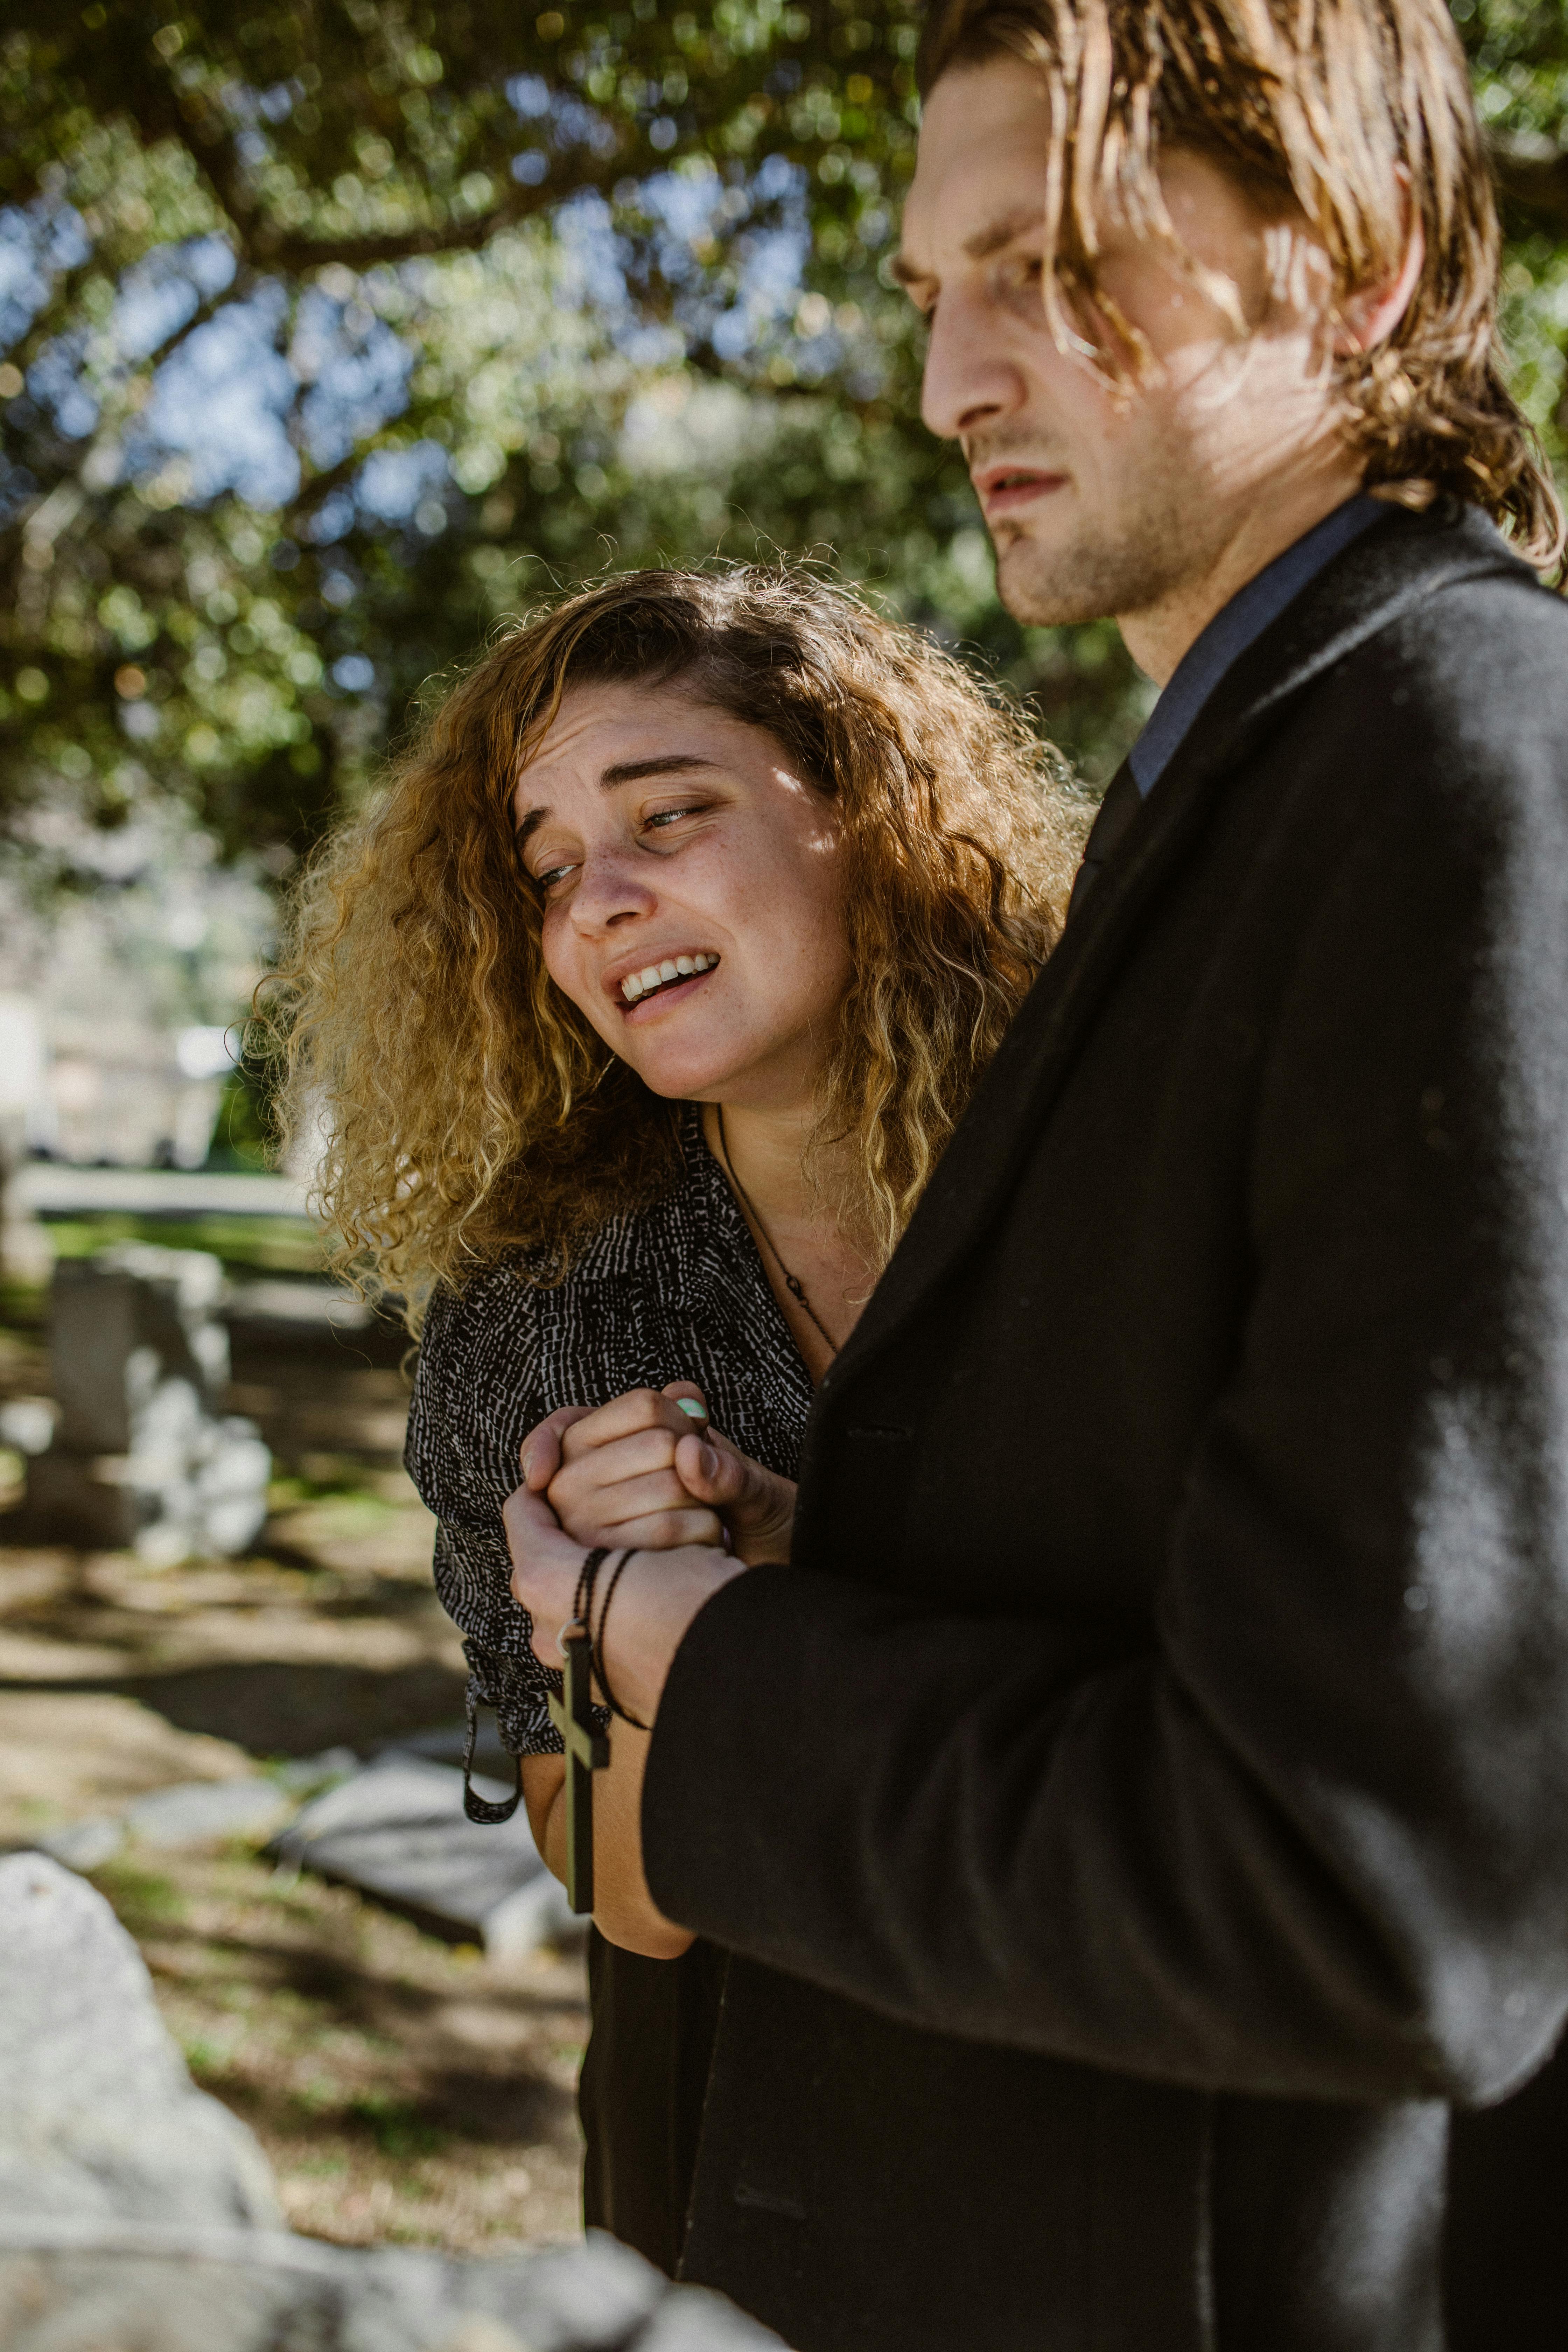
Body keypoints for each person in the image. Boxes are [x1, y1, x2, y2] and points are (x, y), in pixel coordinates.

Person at [505, 2, 1568, 2346]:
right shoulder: (1243, 797)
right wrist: (838, 1550)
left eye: (1051, 264)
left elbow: (1367, 1891)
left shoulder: (1454, 783)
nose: (952, 382)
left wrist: (705, 1650)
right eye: (927, 292)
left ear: (1360, 256)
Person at [262, 565, 1082, 2278]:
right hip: (730, 2143)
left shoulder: (1116, 1192)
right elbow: (621, 1892)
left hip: (1123, 2067)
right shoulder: (540, 1322)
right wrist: (611, 1625)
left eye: (671, 816)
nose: (599, 902)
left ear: (866, 809)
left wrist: (792, 1585)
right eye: (552, 869)